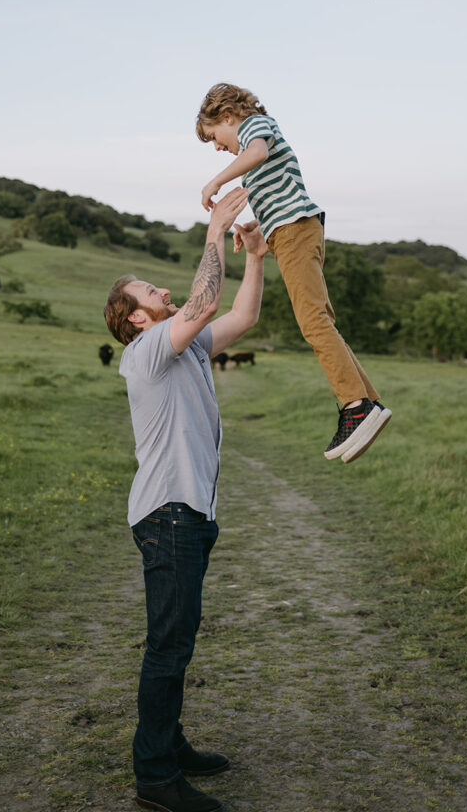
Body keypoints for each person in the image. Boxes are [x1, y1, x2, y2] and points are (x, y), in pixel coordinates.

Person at [104, 187, 268, 812]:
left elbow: (241, 317)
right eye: (151, 293)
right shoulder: (147, 353)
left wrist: (252, 256)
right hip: (169, 514)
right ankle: (155, 777)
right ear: (134, 319)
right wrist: (212, 232)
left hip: (189, 514)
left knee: (178, 638)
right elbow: (202, 301)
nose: (163, 294)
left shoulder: (188, 347)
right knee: (168, 646)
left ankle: (169, 746)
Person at [196, 82, 391, 464]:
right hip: (290, 230)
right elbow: (277, 190)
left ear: (228, 117)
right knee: (320, 320)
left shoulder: (255, 127)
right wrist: (258, 225)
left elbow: (257, 152)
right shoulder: (256, 142)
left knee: (313, 322)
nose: (217, 147)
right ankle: (367, 402)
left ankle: (355, 407)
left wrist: (217, 180)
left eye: (214, 137)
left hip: (295, 230)